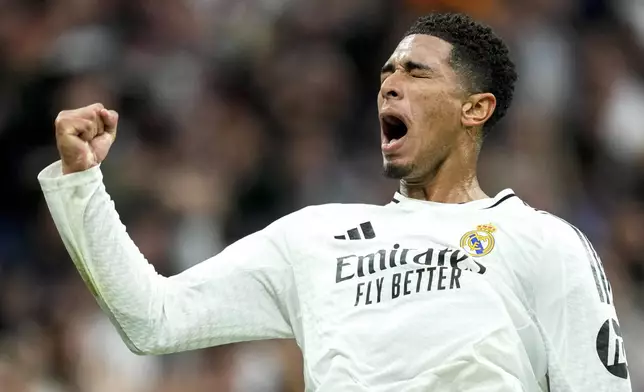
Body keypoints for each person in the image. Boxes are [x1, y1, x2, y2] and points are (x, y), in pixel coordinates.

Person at [38, 12, 632, 392]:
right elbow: (154, 317)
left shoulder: (544, 241)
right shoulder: (313, 238)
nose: (389, 83)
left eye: (416, 73)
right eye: (386, 72)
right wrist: (83, 181)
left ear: (474, 109)